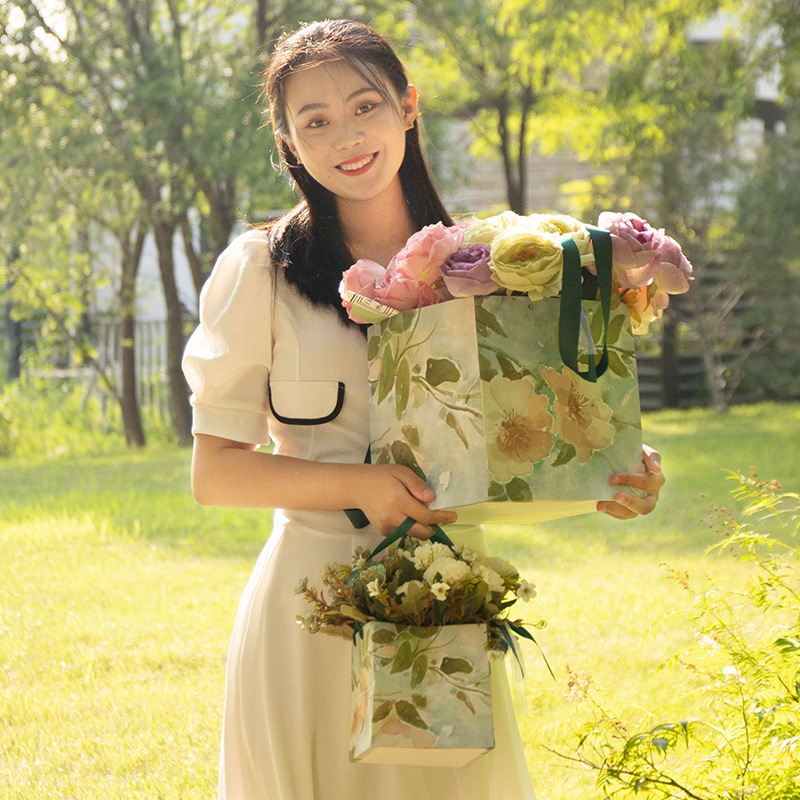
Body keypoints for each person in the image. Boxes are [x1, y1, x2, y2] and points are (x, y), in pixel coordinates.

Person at [182, 18, 665, 800]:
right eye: (315, 121)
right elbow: (216, 474)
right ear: (289, 144)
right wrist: (363, 487)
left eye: (364, 105)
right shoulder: (258, 271)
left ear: (408, 107)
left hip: (449, 606)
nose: (346, 135)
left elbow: (528, 442)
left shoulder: (494, 265)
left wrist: (610, 473)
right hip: (307, 616)